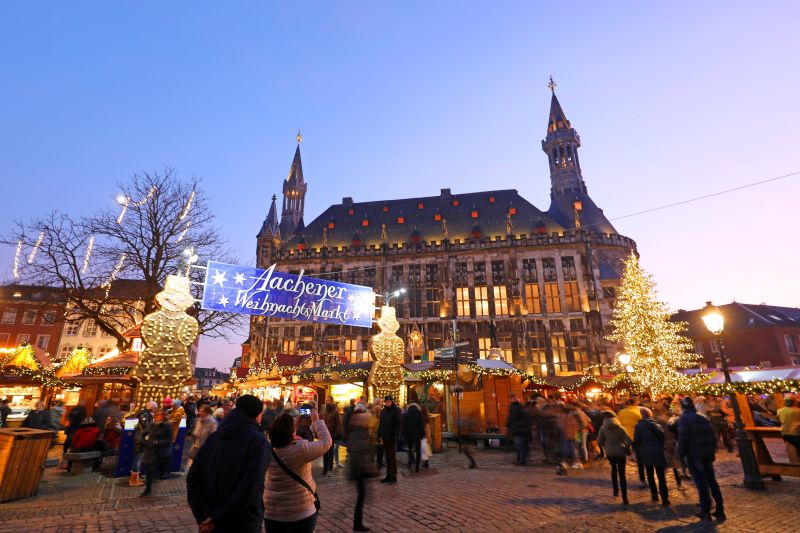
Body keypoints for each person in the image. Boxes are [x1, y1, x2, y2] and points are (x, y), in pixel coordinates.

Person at [187, 395, 270, 533]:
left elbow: (193, 477)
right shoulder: (258, 442)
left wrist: (203, 514)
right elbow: (250, 487)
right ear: (257, 415)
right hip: (242, 521)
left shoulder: (214, 437)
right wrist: (217, 517)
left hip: (209, 519)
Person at [264, 408, 331, 532]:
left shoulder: (265, 449)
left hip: (272, 512)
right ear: (291, 431)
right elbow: (326, 442)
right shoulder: (301, 449)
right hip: (301, 512)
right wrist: (317, 421)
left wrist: (291, 425)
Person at [677, 397, 725, 521]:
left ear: (682, 407)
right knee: (712, 482)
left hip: (694, 455)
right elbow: (713, 436)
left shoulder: (684, 419)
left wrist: (680, 455)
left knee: (701, 484)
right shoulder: (703, 418)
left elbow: (683, 439)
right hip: (707, 455)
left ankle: (705, 511)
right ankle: (720, 510)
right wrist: (712, 451)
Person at [347, 404, 376, 532]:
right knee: (361, 497)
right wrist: (367, 467)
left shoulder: (360, 432)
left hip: (360, 469)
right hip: (359, 470)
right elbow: (359, 451)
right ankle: (357, 524)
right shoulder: (358, 433)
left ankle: (357, 523)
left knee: (361, 496)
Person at [634, 407, 670, 505]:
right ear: (650, 415)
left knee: (650, 475)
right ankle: (665, 498)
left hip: (646, 452)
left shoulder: (638, 426)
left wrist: (639, 453)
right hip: (658, 452)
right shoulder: (656, 424)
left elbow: (637, 440)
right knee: (661, 477)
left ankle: (654, 495)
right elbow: (662, 436)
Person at [597, 411, 632, 505]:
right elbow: (629, 440)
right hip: (620, 451)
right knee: (622, 473)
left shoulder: (603, 428)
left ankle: (615, 490)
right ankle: (625, 497)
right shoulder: (620, 427)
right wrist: (626, 448)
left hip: (609, 452)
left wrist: (606, 446)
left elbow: (599, 441)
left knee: (613, 469)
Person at [140, 409, 173, 497]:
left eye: (162, 414)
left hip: (159, 452)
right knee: (147, 470)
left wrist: (158, 442)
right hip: (150, 451)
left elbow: (169, 439)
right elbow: (143, 434)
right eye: (158, 414)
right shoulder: (152, 425)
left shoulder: (167, 426)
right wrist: (145, 443)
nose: (160, 416)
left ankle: (148, 489)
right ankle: (148, 488)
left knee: (151, 470)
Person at [617, 399, 645, 487]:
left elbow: (619, 424)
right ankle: (642, 479)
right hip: (637, 437)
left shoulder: (621, 412)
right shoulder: (638, 412)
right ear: (635, 403)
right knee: (640, 460)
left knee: (623, 458)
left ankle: (622, 476)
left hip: (625, 437)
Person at [378, 395, 401, 484]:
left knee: (392, 457)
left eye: (389, 401)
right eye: (386, 402)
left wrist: (396, 435)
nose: (388, 403)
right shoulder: (383, 411)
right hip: (385, 437)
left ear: (392, 402)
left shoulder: (396, 411)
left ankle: (393, 476)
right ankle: (388, 475)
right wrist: (379, 434)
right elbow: (381, 424)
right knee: (387, 457)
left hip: (392, 437)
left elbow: (398, 424)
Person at [506, 394, 531, 466]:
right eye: (512, 398)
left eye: (514, 398)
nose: (513, 399)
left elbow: (513, 417)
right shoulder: (519, 406)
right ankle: (520, 459)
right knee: (521, 445)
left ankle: (521, 460)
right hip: (521, 429)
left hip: (518, 429)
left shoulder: (515, 407)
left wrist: (508, 424)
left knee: (519, 446)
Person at [403, 403, 425, 472]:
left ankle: (410, 462)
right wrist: (422, 434)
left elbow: (404, 424)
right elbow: (422, 424)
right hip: (417, 434)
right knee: (418, 450)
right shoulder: (419, 413)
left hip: (409, 434)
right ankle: (417, 467)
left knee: (410, 448)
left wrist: (404, 434)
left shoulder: (406, 414)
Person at [322, 400, 342, 476]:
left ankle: (330, 466)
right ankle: (325, 467)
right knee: (325, 451)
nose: (327, 403)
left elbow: (339, 424)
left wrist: (335, 434)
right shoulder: (325, 411)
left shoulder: (335, 412)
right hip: (325, 434)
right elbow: (322, 421)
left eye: (328, 401)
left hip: (331, 434)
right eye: (326, 401)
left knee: (330, 451)